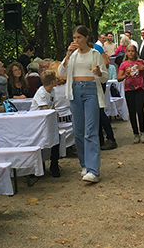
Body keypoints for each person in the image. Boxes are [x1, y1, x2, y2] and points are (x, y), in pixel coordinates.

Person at [58, 25, 108, 183]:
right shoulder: (72, 56)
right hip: (75, 92)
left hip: (91, 90)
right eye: (74, 38)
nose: (76, 41)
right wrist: (67, 54)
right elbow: (61, 72)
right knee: (78, 131)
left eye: (79, 37)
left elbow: (104, 77)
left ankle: (93, 170)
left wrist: (99, 73)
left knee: (90, 130)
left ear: (86, 38)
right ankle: (84, 164)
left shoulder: (94, 54)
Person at [30, 70, 61, 177]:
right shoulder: (41, 93)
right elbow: (45, 109)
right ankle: (37, 166)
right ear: (53, 81)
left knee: (56, 140)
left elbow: (52, 106)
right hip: (37, 123)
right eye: (56, 78)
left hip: (48, 121)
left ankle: (54, 164)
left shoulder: (52, 91)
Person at [117, 44, 144, 143]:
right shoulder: (124, 64)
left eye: (132, 51)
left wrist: (143, 69)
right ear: (126, 53)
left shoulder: (139, 62)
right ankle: (135, 133)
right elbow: (119, 78)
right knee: (132, 111)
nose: (131, 53)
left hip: (140, 88)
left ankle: (142, 131)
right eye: (129, 51)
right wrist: (125, 75)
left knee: (140, 109)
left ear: (136, 52)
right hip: (129, 89)